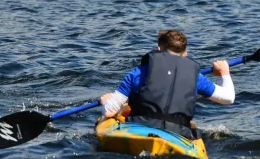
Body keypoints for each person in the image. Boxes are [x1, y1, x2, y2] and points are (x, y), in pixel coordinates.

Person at [100, 30, 234, 139]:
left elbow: (109, 111)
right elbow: (228, 99)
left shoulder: (138, 72)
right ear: (185, 54)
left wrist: (106, 102)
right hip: (179, 132)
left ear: (159, 49)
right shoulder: (196, 76)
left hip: (139, 127)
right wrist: (225, 72)